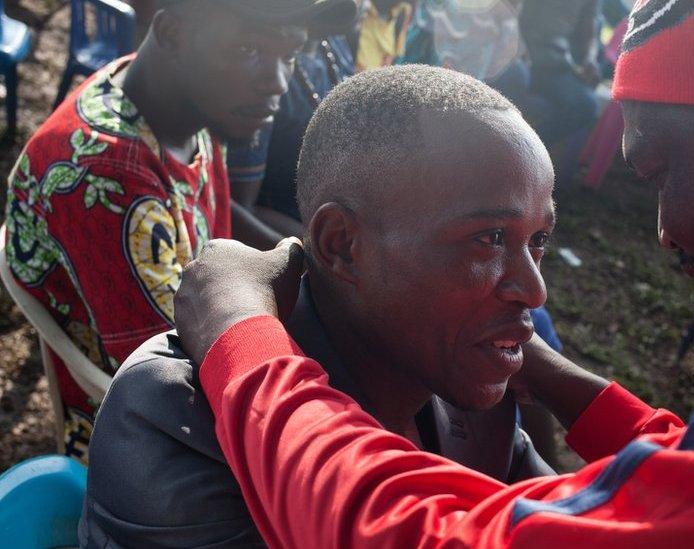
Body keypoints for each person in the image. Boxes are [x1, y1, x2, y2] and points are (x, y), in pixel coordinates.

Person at [171, 0, 694, 546]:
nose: (663, 232)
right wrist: (556, 379)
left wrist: (242, 339)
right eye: (488, 236)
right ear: (340, 246)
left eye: (658, 170)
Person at [80, 65, 558, 547]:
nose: (534, 291)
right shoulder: (178, 421)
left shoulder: (466, 390)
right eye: (489, 238)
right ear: (343, 244)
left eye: (538, 240)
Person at [2, 0, 355, 462]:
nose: (277, 80)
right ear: (170, 35)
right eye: (249, 48)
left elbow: (214, 215)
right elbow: (172, 382)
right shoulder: (107, 176)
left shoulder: (173, 98)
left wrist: (324, 265)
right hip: (147, 437)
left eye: (287, 54)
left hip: (206, 330)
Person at [228, 34, 356, 248]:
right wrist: (318, 251)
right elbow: (241, 207)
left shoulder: (334, 43)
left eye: (290, 56)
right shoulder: (268, 83)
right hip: (292, 233)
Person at [519, 0, 601, 150]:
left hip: (554, 62)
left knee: (586, 105)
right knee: (516, 75)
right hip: (517, 52)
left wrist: (590, 58)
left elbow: (590, 32)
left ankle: (525, 149)